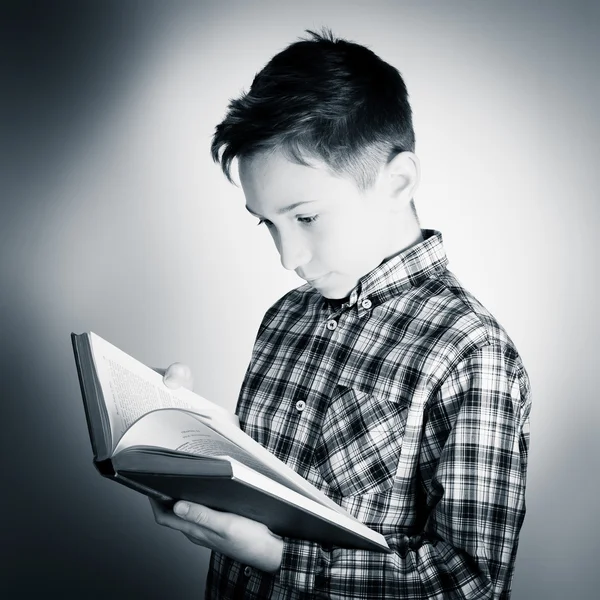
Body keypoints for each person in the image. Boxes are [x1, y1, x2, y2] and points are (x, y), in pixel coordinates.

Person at [151, 29, 532, 599]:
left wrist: (282, 560)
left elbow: (471, 584)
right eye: (267, 224)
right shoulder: (284, 319)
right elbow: (270, 489)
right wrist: (200, 453)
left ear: (397, 182)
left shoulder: (469, 352)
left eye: (304, 217)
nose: (288, 258)